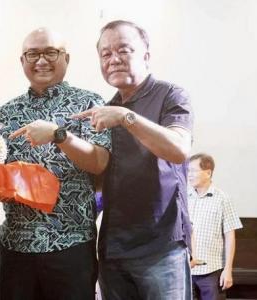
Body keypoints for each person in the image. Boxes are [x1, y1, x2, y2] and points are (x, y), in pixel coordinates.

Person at [73, 20, 194, 299]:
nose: (113, 59)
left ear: (146, 55)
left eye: (123, 50)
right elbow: (100, 176)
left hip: (161, 246)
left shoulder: (170, 95)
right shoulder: (105, 109)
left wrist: (126, 118)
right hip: (113, 247)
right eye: (105, 54)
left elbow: (178, 149)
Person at [0, 27, 111, 300]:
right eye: (32, 54)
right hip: (15, 244)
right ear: (22, 61)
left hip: (71, 244)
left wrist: (60, 136)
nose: (41, 60)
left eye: (50, 52)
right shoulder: (7, 111)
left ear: (66, 58)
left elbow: (100, 162)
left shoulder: (89, 103)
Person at [188, 153, 242, 300]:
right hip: (187, 269)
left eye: (193, 171)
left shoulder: (222, 199)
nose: (189, 175)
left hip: (211, 270)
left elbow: (230, 236)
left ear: (208, 172)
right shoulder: (185, 197)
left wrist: (228, 269)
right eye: (187, 171)